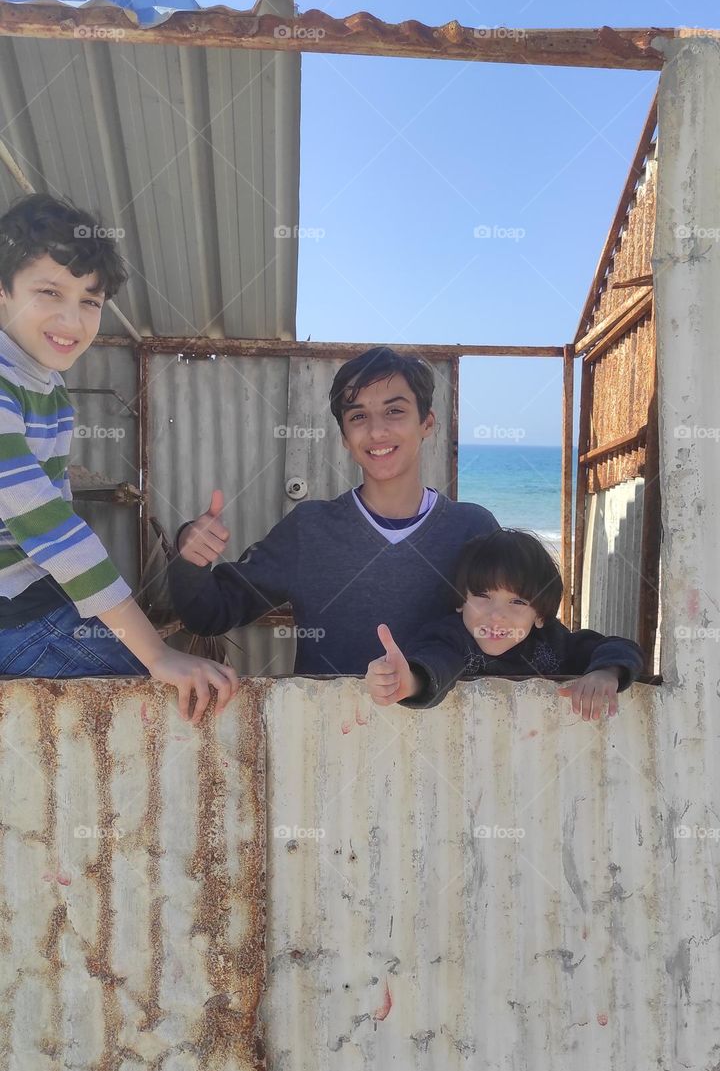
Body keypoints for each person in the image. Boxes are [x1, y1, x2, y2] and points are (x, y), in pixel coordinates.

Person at [0, 193, 238, 724]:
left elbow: (53, 510)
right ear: (2, 292)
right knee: (157, 702)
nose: (72, 318)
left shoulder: (48, 389)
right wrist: (154, 653)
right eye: (48, 292)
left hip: (30, 599)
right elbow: (50, 526)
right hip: (10, 617)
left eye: (89, 299)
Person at [168, 347, 500, 675]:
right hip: (326, 726)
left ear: (426, 423)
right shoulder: (309, 530)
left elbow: (522, 633)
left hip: (449, 726)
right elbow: (208, 615)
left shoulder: (472, 529)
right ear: (344, 436)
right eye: (358, 416)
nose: (376, 431)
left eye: (394, 411)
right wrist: (190, 556)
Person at [365, 528, 645, 720]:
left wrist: (605, 673)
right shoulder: (452, 638)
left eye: (518, 602)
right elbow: (434, 664)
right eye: (483, 596)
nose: (497, 615)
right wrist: (407, 682)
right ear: (461, 600)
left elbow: (619, 647)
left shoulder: (553, 641)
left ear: (540, 616)